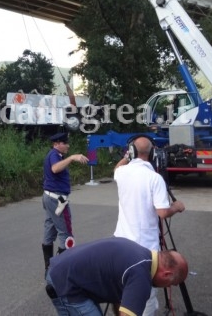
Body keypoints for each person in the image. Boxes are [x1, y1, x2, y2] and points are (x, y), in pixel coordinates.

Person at [113, 135, 185, 315]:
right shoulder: (154, 178)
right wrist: (175, 207)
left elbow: (117, 167)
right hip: (145, 247)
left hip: (120, 243)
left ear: (131, 152)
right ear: (152, 153)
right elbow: (162, 213)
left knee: (124, 287)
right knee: (144, 294)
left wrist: (127, 156)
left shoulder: (121, 173)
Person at [45, 237, 189, 316]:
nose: (169, 286)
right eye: (172, 283)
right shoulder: (141, 277)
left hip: (63, 272)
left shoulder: (141, 255)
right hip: (66, 284)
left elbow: (121, 303)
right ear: (167, 274)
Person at [41, 132, 89, 277]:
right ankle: (61, 273)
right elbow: (55, 168)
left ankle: (49, 269)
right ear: (56, 144)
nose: (67, 145)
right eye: (65, 143)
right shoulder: (54, 155)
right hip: (57, 200)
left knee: (50, 230)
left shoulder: (55, 155)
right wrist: (72, 157)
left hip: (50, 197)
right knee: (66, 234)